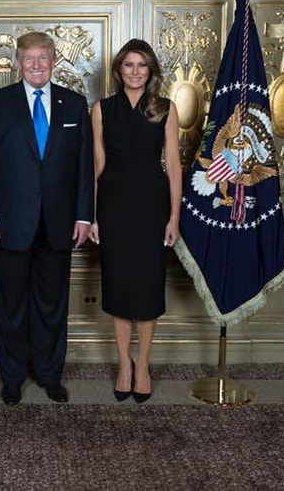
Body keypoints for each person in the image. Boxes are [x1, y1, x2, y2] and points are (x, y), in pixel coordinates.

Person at [0, 31, 93, 405]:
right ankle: (11, 377)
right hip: (9, 223)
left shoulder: (75, 104)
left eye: (43, 58)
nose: (36, 65)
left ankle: (49, 374)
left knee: (52, 305)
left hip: (59, 223)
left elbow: (84, 166)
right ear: (18, 63)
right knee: (10, 305)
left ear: (53, 61)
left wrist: (84, 216)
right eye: (29, 59)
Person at [88, 39, 181, 403]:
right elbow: (97, 166)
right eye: (129, 65)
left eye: (142, 65)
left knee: (147, 287)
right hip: (113, 207)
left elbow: (174, 166)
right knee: (118, 287)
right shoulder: (102, 109)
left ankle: (142, 364)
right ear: (119, 70)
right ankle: (123, 364)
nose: (136, 71)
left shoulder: (164, 108)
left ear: (151, 70)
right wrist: (93, 216)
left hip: (152, 207)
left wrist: (174, 217)